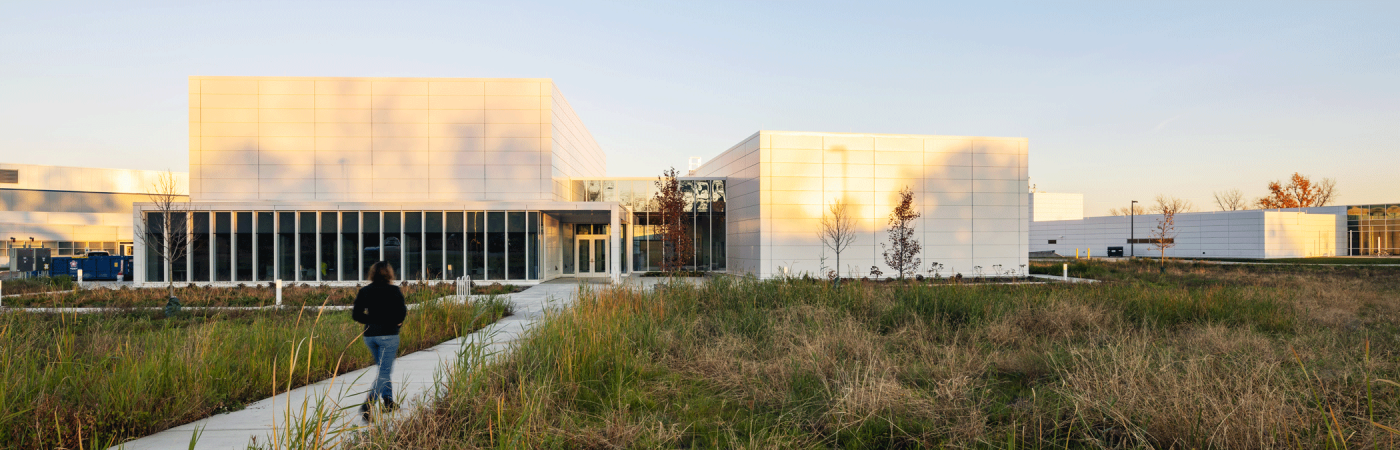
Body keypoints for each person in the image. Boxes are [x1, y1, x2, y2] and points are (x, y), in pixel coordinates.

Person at [352, 261, 407, 421]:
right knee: (384, 371)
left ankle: (388, 401)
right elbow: (401, 312)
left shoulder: (365, 291)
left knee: (383, 369)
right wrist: (395, 322)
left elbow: (356, 314)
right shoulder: (394, 290)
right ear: (389, 273)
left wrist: (372, 319)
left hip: (370, 336)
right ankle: (368, 404)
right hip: (388, 335)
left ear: (372, 273)